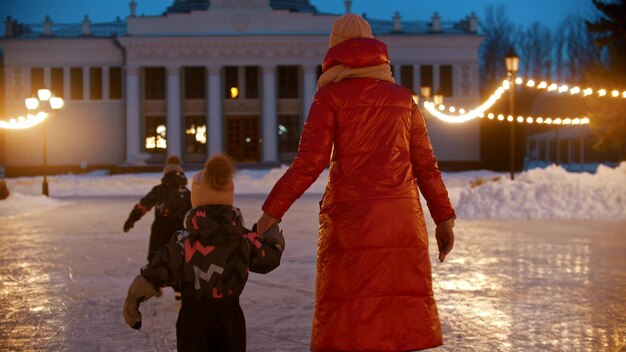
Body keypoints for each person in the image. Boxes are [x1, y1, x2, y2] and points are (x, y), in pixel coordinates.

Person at [256, 13, 456, 352]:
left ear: (334, 50)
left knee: (352, 321)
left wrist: (269, 216)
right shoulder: (403, 99)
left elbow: (309, 163)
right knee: (395, 320)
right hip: (402, 221)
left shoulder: (330, 98)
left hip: (353, 222)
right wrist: (444, 219)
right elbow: (427, 167)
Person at [123, 153, 285, 352]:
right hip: (230, 316)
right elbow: (269, 258)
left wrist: (134, 298)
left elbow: (159, 269)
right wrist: (271, 231)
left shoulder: (183, 241)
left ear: (196, 200)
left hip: (193, 318)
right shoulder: (243, 239)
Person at [123, 155, 192, 264]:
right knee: (178, 259)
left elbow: (144, 205)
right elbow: (192, 214)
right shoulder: (187, 193)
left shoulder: (159, 190)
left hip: (160, 228)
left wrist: (132, 218)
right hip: (178, 230)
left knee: (156, 259)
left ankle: (157, 278)